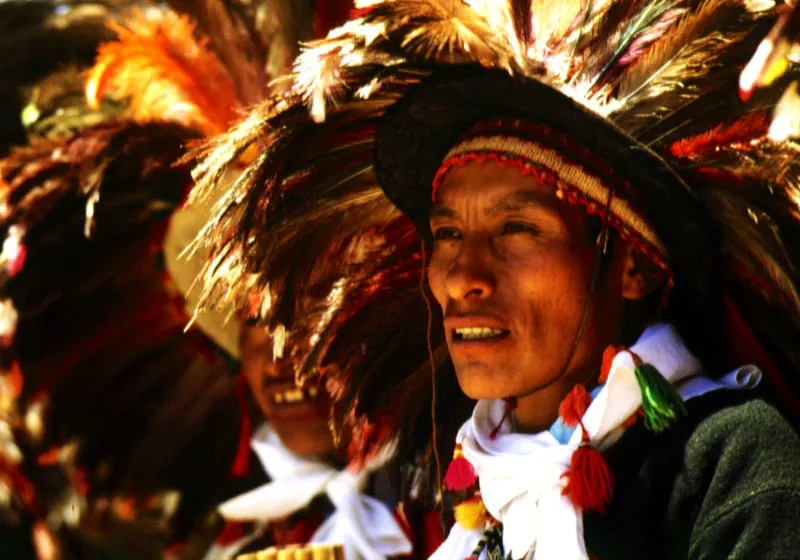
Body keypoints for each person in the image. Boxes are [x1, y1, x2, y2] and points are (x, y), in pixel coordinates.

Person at [186, 0, 800, 558]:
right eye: (448, 234)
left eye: (516, 230)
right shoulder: (480, 504)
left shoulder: (733, 465)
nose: (461, 279)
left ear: (632, 265)